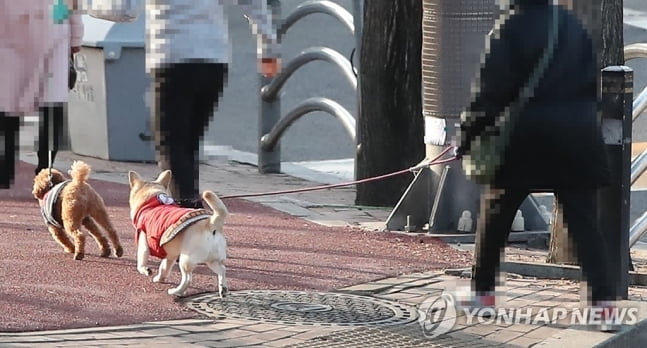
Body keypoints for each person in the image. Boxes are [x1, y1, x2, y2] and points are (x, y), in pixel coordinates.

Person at [456, 0, 615, 315]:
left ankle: (483, 295)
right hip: (577, 135)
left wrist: (467, 135)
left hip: (526, 137)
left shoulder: (509, 27)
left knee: (496, 214)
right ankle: (604, 303)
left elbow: (489, 92)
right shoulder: (570, 24)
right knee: (584, 222)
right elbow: (590, 83)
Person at [146, 0, 280, 208]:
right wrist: (268, 49)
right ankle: (191, 211)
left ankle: (187, 217)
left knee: (173, 146)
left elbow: (123, 10)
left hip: (173, 57)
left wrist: (86, 7)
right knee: (189, 144)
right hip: (214, 59)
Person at [0, 0, 83, 187]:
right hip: (49, 35)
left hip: (17, 37)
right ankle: (45, 171)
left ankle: (6, 169)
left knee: (10, 107)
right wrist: (75, 39)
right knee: (51, 110)